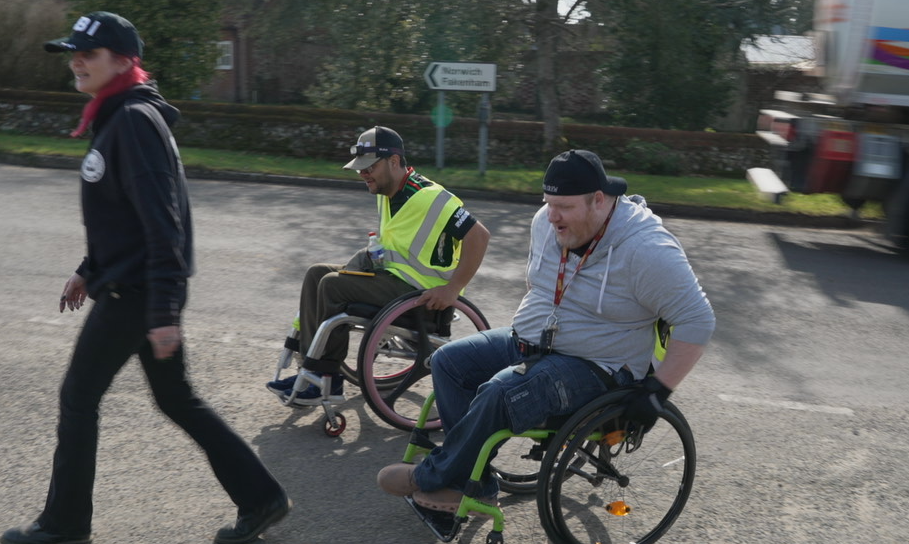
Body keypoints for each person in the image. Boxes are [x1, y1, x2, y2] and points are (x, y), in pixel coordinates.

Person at [1, 12, 288, 544]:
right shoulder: (118, 115)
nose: (76, 61)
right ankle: (262, 498)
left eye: (88, 53)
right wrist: (89, 269)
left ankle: (64, 527)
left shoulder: (133, 121)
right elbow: (123, 218)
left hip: (136, 295)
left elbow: (165, 225)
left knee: (77, 398)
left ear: (123, 61)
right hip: (129, 285)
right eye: (74, 52)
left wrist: (162, 313)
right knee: (177, 399)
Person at [377, 149, 716, 513]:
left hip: (596, 365)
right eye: (548, 203)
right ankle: (474, 484)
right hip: (533, 343)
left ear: (598, 201)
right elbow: (542, 285)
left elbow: (698, 319)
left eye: (565, 207)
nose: (552, 216)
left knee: (500, 393)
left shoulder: (646, 249)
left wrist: (657, 390)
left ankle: (432, 477)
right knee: (448, 361)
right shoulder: (546, 222)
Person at [266, 126, 491, 404]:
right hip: (394, 280)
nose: (363, 173)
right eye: (359, 168)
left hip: (422, 295)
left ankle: (326, 379)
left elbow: (479, 236)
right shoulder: (390, 193)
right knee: (317, 273)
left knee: (333, 286)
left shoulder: (430, 197)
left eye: (369, 167)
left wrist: (453, 289)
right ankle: (311, 366)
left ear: (394, 162)